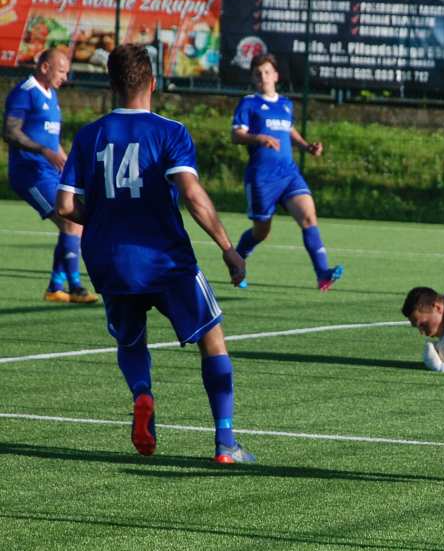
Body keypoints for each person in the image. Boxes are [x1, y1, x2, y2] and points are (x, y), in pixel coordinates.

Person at [56, 44, 255, 464]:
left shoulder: (89, 134)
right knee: (212, 339)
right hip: (165, 259)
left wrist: (105, 217)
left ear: (112, 85)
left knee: (131, 341)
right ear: (153, 82)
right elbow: (192, 194)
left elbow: (64, 205)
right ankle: (225, 442)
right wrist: (228, 249)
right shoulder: (170, 131)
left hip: (109, 260)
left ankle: (142, 394)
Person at [230, 53, 343, 291]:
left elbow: (288, 130)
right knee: (261, 232)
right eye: (258, 73)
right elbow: (236, 135)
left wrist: (306, 146)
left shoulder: (285, 104)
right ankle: (236, 260)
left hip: (289, 175)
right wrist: (259, 138)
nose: (263, 77)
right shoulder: (248, 103)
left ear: (276, 76)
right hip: (262, 178)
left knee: (309, 218)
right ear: (253, 78)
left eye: (267, 72)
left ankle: (323, 273)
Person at [3, 48, 97, 304]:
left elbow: (51, 141)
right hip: (30, 174)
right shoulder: (25, 93)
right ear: (45, 67)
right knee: (70, 222)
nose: (65, 77)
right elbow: (10, 133)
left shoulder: (51, 95)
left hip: (49, 172)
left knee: (76, 221)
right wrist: (44, 151)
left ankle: (56, 287)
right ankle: (74, 287)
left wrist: (66, 163)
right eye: (61, 71)